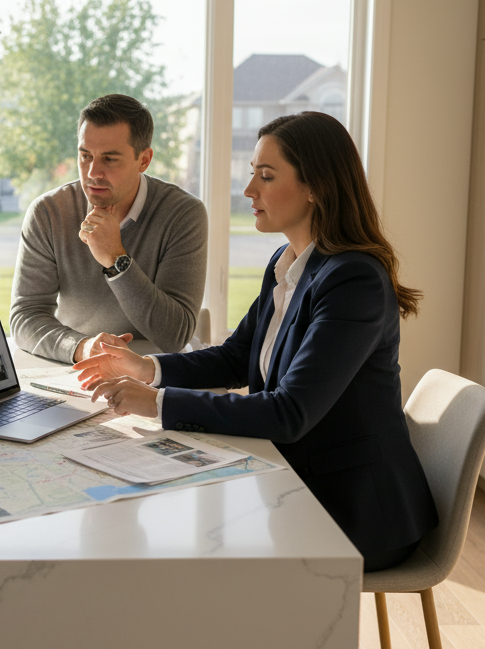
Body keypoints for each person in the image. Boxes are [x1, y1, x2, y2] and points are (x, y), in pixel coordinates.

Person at [74, 112, 438, 572]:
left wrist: (156, 402)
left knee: (193, 552)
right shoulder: (286, 263)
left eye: (266, 176)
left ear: (316, 187)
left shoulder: (354, 280)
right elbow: (238, 355)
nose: (249, 191)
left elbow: (289, 413)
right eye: (252, 175)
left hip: (353, 513)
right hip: (296, 480)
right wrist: (144, 367)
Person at [10, 94, 208, 364]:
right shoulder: (48, 213)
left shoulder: (183, 214)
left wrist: (116, 260)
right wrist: (82, 347)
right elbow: (25, 317)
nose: (93, 172)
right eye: (85, 155)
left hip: (155, 371)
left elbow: (174, 336)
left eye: (110, 159)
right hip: (76, 365)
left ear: (144, 160)